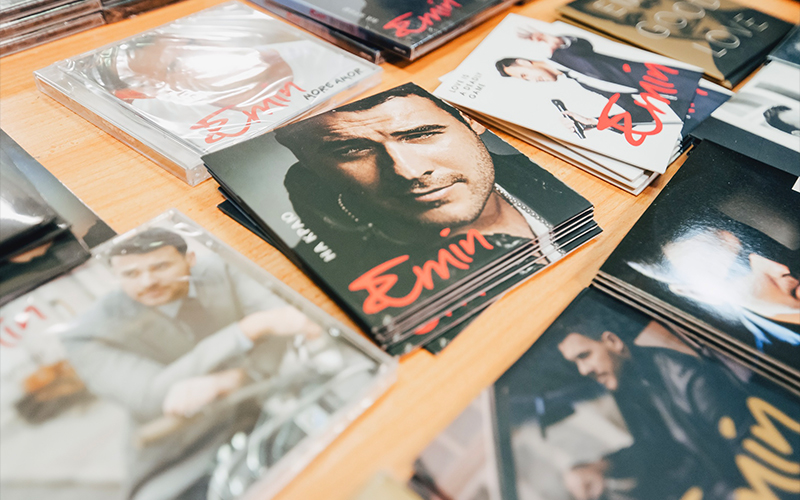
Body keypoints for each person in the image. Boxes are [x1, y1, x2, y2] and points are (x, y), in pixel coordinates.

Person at [61, 228, 321, 500]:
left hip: (269, 407)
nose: (148, 282)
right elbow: (151, 396)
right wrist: (244, 331)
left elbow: (281, 318)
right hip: (185, 446)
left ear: (190, 259)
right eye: (130, 274)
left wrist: (243, 375)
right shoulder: (86, 335)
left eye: (160, 267)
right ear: (115, 275)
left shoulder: (226, 266)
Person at [273, 83, 574, 258]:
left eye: (421, 134)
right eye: (352, 150)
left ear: (472, 121)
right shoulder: (330, 265)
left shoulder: (558, 182)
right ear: (308, 163)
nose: (408, 171)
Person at [555, 320, 751, 500]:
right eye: (575, 363)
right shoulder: (628, 387)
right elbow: (655, 448)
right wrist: (601, 466)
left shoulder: (684, 377)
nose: (583, 370)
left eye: (585, 355)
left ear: (613, 342)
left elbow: (746, 445)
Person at [495, 28, 700, 137]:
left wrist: (560, 41)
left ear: (524, 62)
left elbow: (580, 45)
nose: (531, 81)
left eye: (524, 75)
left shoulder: (564, 54)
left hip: (684, 81)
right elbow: (642, 115)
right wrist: (593, 121)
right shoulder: (583, 83)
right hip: (687, 106)